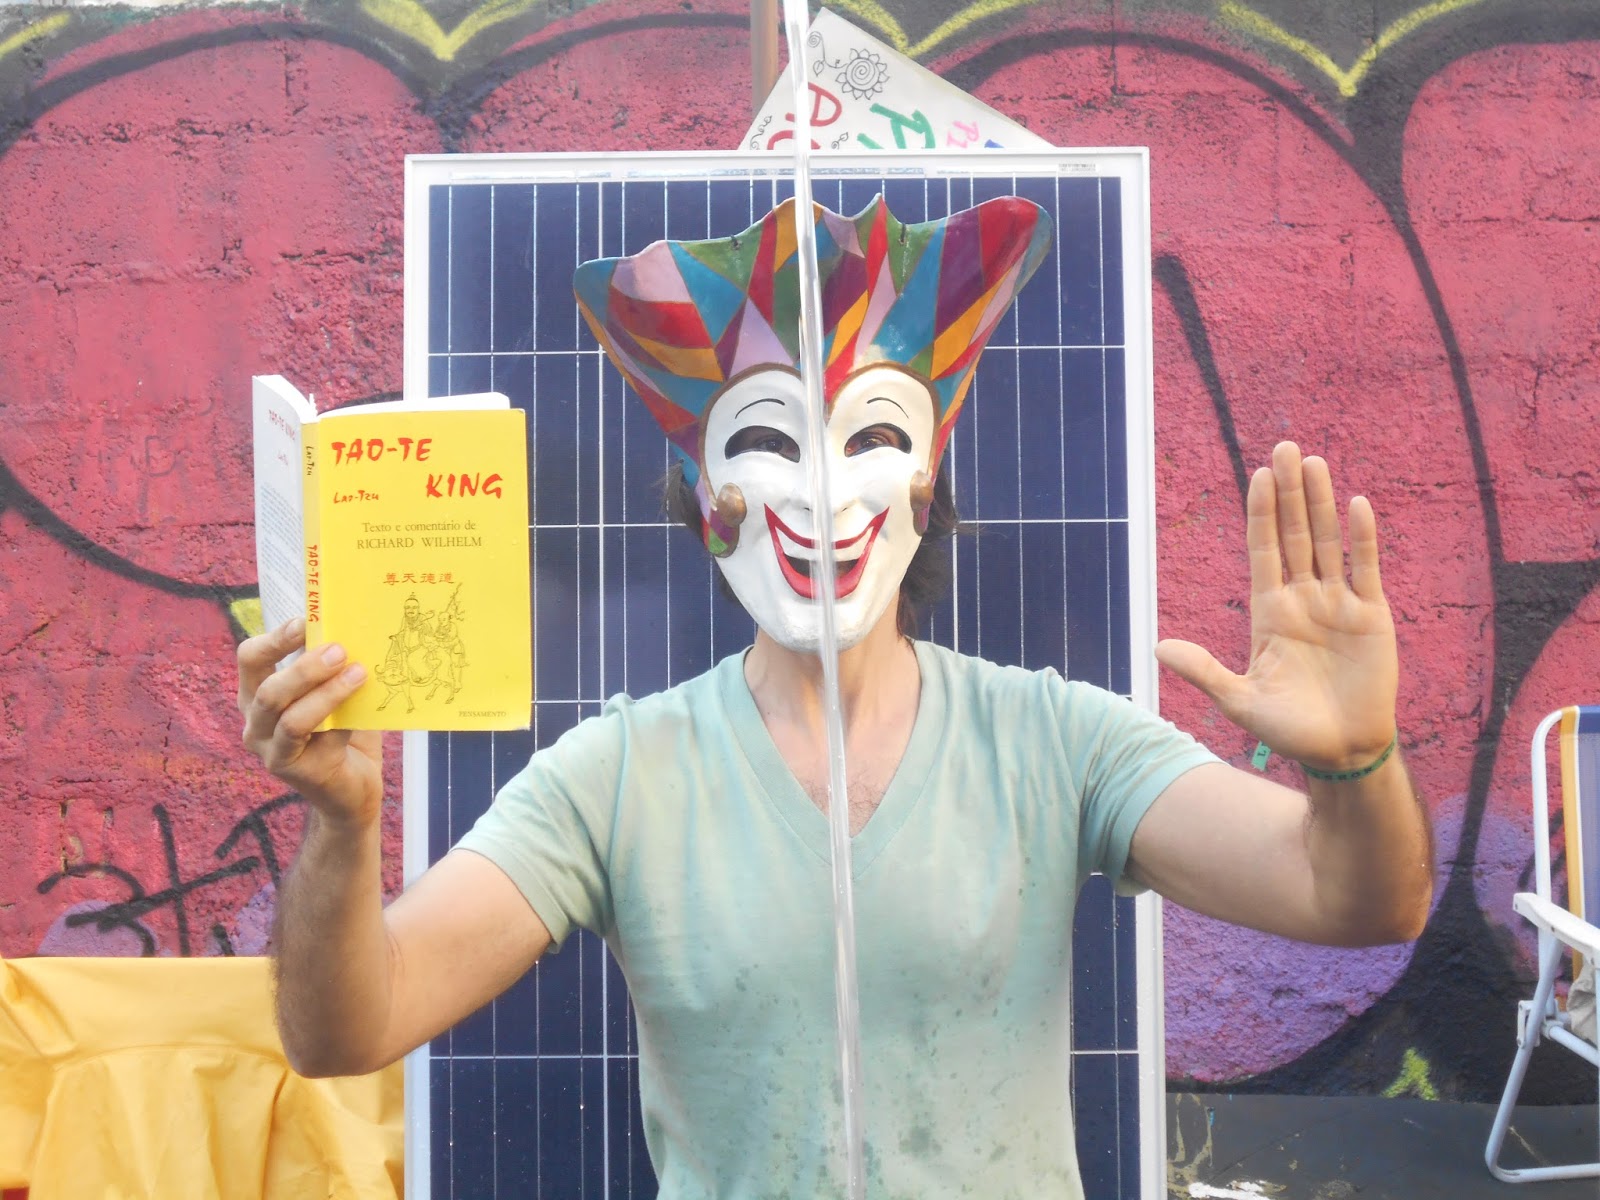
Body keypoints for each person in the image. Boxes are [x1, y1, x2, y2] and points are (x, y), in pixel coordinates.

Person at [237, 196, 1433, 1199]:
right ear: (706, 500)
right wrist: (342, 823)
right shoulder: (614, 778)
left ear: (924, 484)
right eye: (767, 442)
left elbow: (1358, 900)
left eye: (867, 438)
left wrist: (1354, 762)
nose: (819, 492)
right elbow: (348, 1030)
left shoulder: (1056, 739)